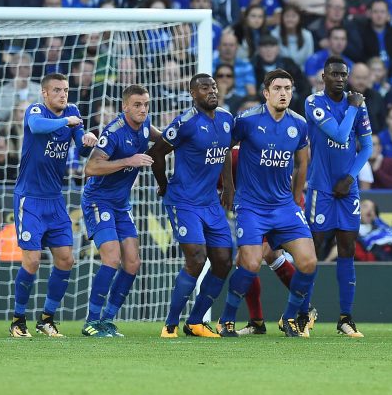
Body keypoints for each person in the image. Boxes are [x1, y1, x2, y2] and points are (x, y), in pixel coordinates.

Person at [218, 69, 317, 338]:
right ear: (266, 93)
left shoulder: (299, 124)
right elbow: (226, 149)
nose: (283, 93)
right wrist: (229, 186)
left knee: (308, 262)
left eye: (288, 88)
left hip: (284, 206)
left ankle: (290, 317)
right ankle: (226, 319)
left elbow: (302, 163)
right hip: (251, 206)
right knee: (249, 264)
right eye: (278, 88)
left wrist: (296, 200)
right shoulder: (247, 120)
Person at [9, 73, 98, 338]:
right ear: (45, 93)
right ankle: (18, 320)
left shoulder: (72, 111)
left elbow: (81, 149)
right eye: (57, 90)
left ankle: (47, 319)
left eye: (66, 90)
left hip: (55, 200)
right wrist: (66, 122)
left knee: (66, 259)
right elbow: (37, 127)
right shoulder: (35, 111)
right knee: (33, 261)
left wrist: (88, 140)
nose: (63, 94)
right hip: (30, 199)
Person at [149, 74, 234, 338]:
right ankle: (170, 325)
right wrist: (163, 184)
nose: (211, 91)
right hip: (183, 201)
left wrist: (229, 186)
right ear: (192, 93)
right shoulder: (184, 123)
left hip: (210, 201)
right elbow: (156, 153)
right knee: (196, 258)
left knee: (223, 261)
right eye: (204, 87)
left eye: (213, 87)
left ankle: (195, 322)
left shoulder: (226, 119)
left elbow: (227, 150)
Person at [80, 85, 161, 337]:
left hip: (121, 204)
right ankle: (91, 321)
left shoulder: (146, 126)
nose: (143, 109)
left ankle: (107, 320)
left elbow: (165, 138)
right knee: (112, 259)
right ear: (125, 106)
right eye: (137, 105)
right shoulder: (113, 132)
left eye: (146, 104)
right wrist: (129, 160)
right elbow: (91, 168)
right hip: (98, 201)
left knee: (133, 262)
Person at [303, 57, 372, 337]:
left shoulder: (358, 103)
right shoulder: (313, 103)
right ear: (324, 76)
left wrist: (350, 177)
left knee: (347, 249)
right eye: (334, 74)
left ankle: (345, 318)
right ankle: (303, 313)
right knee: (314, 251)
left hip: (347, 189)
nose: (340, 78)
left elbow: (366, 146)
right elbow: (342, 136)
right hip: (321, 188)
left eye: (344, 74)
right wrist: (354, 108)